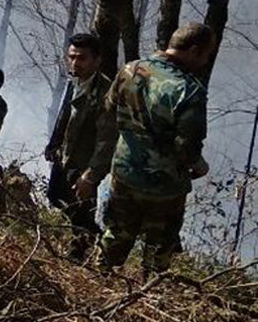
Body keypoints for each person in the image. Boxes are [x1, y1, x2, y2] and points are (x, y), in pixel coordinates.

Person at [87, 23, 215, 275]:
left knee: (114, 236)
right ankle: (147, 300)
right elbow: (186, 148)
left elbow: (108, 108)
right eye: (206, 55)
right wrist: (199, 167)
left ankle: (95, 288)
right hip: (163, 188)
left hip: (124, 173)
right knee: (157, 251)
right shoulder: (189, 91)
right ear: (194, 50)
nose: (205, 61)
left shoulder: (129, 69)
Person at [43, 33, 114, 261]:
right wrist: (53, 143)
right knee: (55, 195)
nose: (75, 63)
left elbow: (107, 139)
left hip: (85, 161)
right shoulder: (74, 83)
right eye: (72, 57)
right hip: (65, 156)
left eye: (82, 58)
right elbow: (65, 114)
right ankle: (90, 234)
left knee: (81, 207)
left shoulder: (106, 92)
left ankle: (81, 254)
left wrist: (91, 176)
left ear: (97, 60)